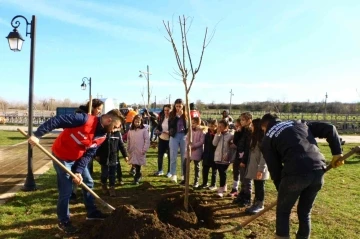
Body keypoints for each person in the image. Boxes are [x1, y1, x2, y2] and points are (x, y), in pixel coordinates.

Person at [28, 109, 122, 234]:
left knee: (88, 181)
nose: (115, 130)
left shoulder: (102, 136)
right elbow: (57, 120)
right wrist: (37, 134)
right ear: (109, 120)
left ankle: (91, 212)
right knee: (66, 190)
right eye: (115, 127)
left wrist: (78, 171)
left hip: (77, 158)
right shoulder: (84, 119)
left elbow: (89, 154)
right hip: (61, 156)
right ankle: (64, 221)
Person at [260, 113, 343, 239]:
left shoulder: (268, 138)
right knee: (305, 212)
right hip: (318, 170)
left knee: (283, 211)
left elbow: (275, 169)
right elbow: (330, 128)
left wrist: (281, 191)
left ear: (264, 126)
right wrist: (337, 152)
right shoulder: (298, 123)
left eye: (263, 130)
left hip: (294, 173)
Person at [72, 99, 104, 201]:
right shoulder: (80, 116)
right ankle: (72, 193)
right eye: (98, 109)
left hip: (87, 151)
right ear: (93, 107)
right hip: (75, 151)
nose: (99, 111)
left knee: (85, 173)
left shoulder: (95, 119)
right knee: (75, 175)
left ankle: (84, 195)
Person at [96, 111, 128, 197]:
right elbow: (98, 145)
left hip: (114, 158)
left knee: (112, 174)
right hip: (104, 157)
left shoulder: (117, 134)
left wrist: (125, 155)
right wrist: (97, 155)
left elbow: (121, 145)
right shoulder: (104, 133)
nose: (114, 129)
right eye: (113, 127)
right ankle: (103, 184)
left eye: (116, 127)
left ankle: (112, 187)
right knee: (104, 174)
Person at [244, 118, 269, 215]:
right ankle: (256, 202)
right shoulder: (254, 139)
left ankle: (260, 204)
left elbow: (264, 156)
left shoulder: (262, 140)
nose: (251, 127)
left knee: (260, 186)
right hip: (255, 167)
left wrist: (261, 169)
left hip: (260, 168)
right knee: (257, 185)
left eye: (253, 125)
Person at [233, 112, 253, 207]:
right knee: (242, 178)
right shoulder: (243, 130)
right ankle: (242, 195)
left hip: (246, 158)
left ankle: (247, 198)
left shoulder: (250, 131)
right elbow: (236, 142)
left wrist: (244, 161)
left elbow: (248, 148)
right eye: (240, 120)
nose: (241, 122)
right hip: (239, 155)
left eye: (243, 120)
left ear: (249, 120)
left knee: (247, 179)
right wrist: (238, 131)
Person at [180, 117, 205, 188]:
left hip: (197, 151)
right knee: (185, 164)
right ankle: (185, 179)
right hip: (189, 150)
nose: (192, 124)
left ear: (198, 123)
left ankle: (196, 181)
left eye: (194, 123)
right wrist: (189, 145)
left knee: (197, 167)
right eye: (191, 123)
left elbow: (201, 141)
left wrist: (194, 146)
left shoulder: (201, 131)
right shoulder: (190, 130)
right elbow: (187, 138)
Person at [168, 98, 189, 183]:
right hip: (174, 136)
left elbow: (188, 126)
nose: (178, 108)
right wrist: (177, 116)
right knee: (173, 155)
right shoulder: (172, 114)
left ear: (183, 106)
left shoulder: (186, 115)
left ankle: (183, 175)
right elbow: (171, 125)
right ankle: (173, 174)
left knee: (184, 156)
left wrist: (184, 117)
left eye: (180, 106)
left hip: (183, 135)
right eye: (176, 106)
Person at [213, 119, 234, 197]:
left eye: (221, 127)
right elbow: (214, 144)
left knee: (223, 172)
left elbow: (233, 145)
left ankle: (221, 189)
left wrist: (229, 152)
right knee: (221, 172)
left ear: (226, 127)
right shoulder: (218, 134)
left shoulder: (231, 135)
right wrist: (217, 134)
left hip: (226, 158)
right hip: (218, 157)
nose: (219, 128)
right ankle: (224, 186)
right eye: (219, 126)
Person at [127, 115, 150, 185]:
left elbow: (147, 140)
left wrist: (144, 149)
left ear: (141, 122)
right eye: (135, 121)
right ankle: (138, 174)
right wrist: (128, 148)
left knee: (138, 164)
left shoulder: (144, 130)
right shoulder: (130, 131)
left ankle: (137, 177)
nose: (137, 123)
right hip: (132, 150)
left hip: (140, 150)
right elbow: (128, 140)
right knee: (134, 162)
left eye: (138, 122)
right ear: (133, 121)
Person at [199, 119, 218, 190]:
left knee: (214, 171)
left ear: (216, 126)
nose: (211, 128)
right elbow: (206, 144)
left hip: (214, 155)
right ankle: (205, 183)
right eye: (210, 126)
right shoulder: (207, 134)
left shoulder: (217, 134)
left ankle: (213, 184)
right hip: (207, 154)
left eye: (213, 126)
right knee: (205, 170)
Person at [154, 104, 172, 176]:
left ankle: (169, 172)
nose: (166, 112)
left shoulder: (173, 119)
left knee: (170, 156)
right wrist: (158, 130)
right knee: (160, 155)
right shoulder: (162, 117)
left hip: (170, 139)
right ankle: (160, 170)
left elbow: (174, 129)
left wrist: (169, 132)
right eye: (165, 110)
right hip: (161, 138)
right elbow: (159, 125)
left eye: (168, 110)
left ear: (171, 110)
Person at [228, 118, 243, 197]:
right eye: (235, 126)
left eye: (238, 126)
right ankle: (235, 189)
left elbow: (240, 144)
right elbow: (236, 142)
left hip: (243, 156)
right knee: (236, 172)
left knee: (243, 174)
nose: (236, 127)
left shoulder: (245, 133)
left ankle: (243, 191)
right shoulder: (237, 133)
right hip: (237, 155)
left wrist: (233, 145)